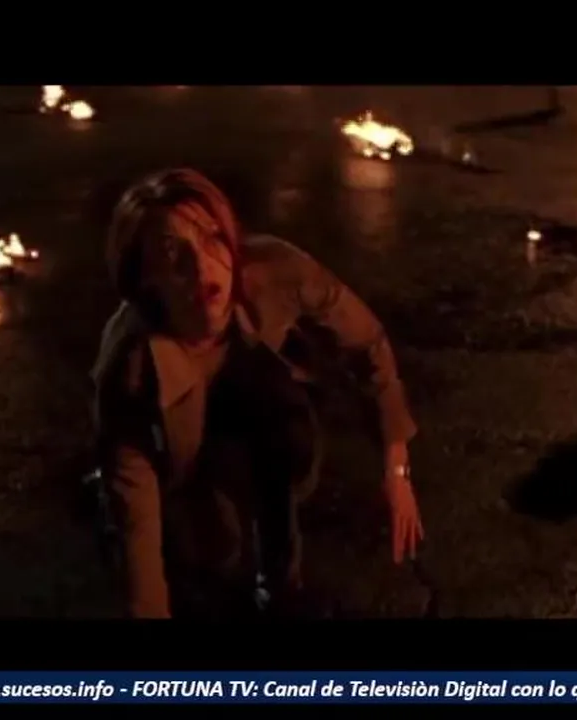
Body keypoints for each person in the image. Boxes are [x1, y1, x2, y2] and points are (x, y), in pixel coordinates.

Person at [89, 168, 425, 618]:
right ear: (145, 277)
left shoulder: (273, 272)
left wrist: (397, 467)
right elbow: (138, 534)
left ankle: (281, 587)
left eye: (212, 237)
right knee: (209, 556)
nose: (201, 267)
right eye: (171, 252)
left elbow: (366, 342)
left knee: (282, 424)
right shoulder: (129, 369)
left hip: (254, 417)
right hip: (178, 460)